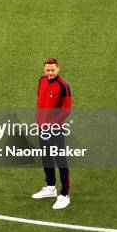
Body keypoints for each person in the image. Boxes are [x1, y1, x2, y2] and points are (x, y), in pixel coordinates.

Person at [31, 58, 72, 209]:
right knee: (46, 157)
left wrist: (52, 124)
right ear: (44, 69)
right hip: (42, 128)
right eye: (47, 70)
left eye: (52, 70)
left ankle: (65, 195)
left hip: (56, 130)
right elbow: (40, 100)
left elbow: (66, 109)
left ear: (58, 69)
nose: (50, 72)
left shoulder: (63, 86)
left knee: (60, 160)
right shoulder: (42, 80)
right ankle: (51, 187)